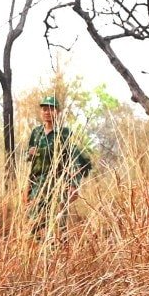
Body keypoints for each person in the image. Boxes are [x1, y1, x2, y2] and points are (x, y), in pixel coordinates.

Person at [25, 95, 93, 240]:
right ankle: (37, 253)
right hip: (37, 183)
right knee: (33, 221)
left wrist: (73, 185)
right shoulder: (36, 133)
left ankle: (57, 254)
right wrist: (30, 154)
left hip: (57, 183)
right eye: (44, 109)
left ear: (58, 112)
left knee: (56, 222)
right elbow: (30, 158)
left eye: (51, 109)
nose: (47, 112)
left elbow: (73, 158)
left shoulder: (64, 133)